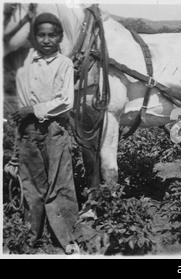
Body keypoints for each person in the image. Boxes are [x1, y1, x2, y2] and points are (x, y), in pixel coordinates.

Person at [12, 12, 80, 255]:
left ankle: (68, 238)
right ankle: (32, 234)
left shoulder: (64, 64)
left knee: (60, 183)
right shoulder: (27, 63)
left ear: (60, 37)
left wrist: (33, 109)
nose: (46, 40)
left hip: (53, 129)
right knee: (32, 184)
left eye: (52, 35)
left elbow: (65, 101)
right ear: (34, 38)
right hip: (28, 131)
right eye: (41, 35)